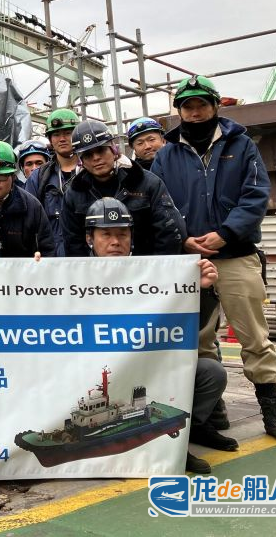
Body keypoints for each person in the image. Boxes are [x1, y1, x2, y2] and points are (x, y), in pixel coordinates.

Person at [151, 75, 276, 444]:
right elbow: (159, 204)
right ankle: (211, 410)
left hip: (235, 255)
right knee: (199, 341)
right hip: (190, 262)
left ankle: (272, 413)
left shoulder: (242, 146)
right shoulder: (166, 155)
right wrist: (183, 238)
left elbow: (256, 195)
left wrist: (226, 233)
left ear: (215, 106)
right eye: (187, 106)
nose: (195, 112)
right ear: (179, 111)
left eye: (201, 104)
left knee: (254, 336)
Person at [81, 198, 236, 474]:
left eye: (122, 234)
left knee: (211, 373)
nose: (115, 241)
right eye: (106, 234)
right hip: (97, 375)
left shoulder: (154, 274)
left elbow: (187, 327)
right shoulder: (70, 279)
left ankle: (187, 432)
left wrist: (203, 289)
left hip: (152, 368)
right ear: (89, 239)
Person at [60, 120, 185, 257]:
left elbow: (169, 233)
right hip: (96, 270)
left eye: (101, 150)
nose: (96, 158)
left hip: (146, 268)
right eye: (88, 154)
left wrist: (153, 268)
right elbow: (73, 244)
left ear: (113, 149)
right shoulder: (73, 194)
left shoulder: (148, 183)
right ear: (81, 160)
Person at [25, 108, 81, 257]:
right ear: (50, 139)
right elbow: (29, 222)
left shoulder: (91, 172)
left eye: (67, 133)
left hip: (87, 260)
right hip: (51, 259)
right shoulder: (38, 178)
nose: (62, 139)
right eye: (56, 134)